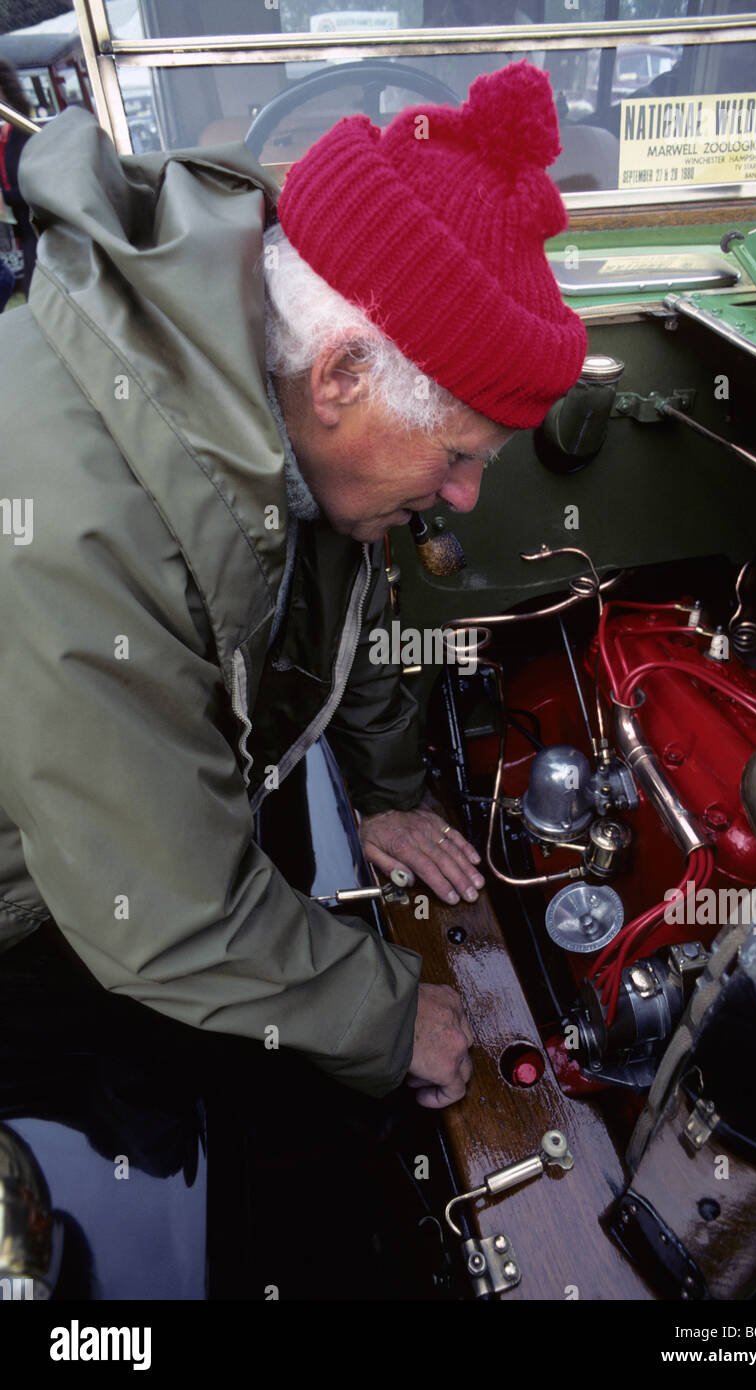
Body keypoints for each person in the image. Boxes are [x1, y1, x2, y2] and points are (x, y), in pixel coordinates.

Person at [0, 62, 586, 1111]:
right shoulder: (78, 522)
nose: (463, 496)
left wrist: (389, 794)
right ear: (344, 375)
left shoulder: (264, 385)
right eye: (459, 453)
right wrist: (385, 1012)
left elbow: (335, 589)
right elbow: (156, 909)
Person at [0, 58, 37, 297]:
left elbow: (34, 186)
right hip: (23, 232)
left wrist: (5, 197)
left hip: (37, 230)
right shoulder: (7, 134)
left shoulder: (25, 133)